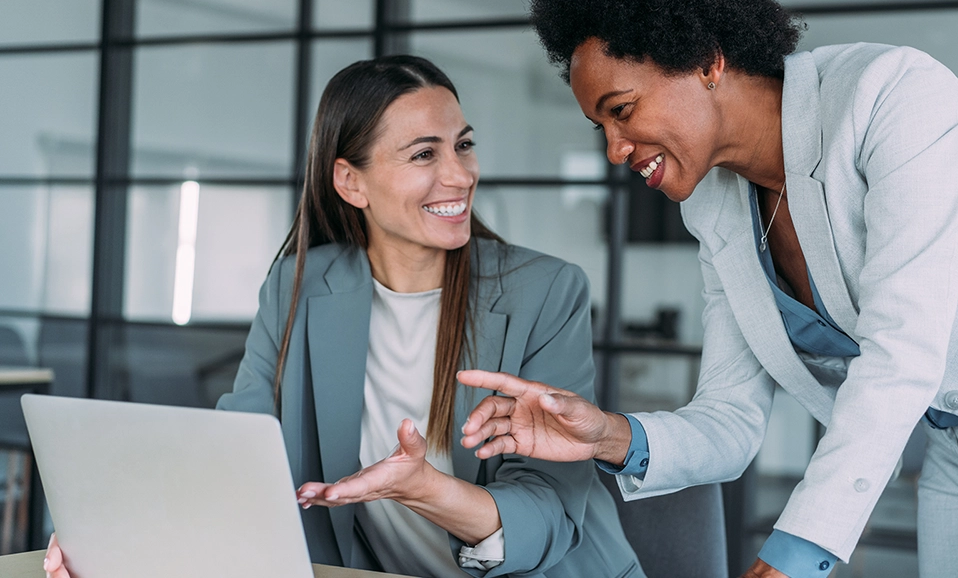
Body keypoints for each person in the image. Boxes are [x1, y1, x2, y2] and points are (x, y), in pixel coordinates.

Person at [455, 0, 958, 577]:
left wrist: (800, 550)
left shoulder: (893, 98)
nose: (614, 149)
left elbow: (902, 350)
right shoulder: (713, 207)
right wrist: (606, 434)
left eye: (621, 110)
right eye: (599, 126)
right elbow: (730, 419)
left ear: (706, 61)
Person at [43, 55, 643, 578]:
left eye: (462, 144)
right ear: (351, 182)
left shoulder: (545, 291)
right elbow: (238, 457)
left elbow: (550, 514)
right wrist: (117, 539)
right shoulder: (298, 286)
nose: (460, 175)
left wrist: (427, 492)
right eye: (423, 154)